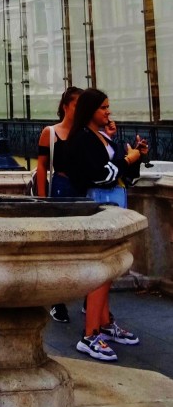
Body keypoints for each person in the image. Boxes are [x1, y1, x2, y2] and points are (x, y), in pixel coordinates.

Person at [65, 89, 145, 361]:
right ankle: (89, 335)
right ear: (91, 111)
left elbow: (121, 174)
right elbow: (100, 175)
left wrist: (135, 157)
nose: (108, 113)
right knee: (100, 270)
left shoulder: (100, 138)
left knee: (108, 268)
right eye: (104, 108)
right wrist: (127, 160)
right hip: (97, 206)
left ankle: (103, 322)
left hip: (110, 204)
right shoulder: (83, 140)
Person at [36, 87, 82, 323]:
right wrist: (43, 200)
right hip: (61, 188)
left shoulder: (85, 133)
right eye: (77, 104)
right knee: (59, 245)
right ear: (65, 106)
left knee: (83, 245)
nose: (81, 110)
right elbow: (42, 166)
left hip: (83, 190)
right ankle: (57, 301)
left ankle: (89, 299)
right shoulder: (50, 133)